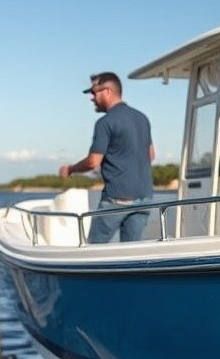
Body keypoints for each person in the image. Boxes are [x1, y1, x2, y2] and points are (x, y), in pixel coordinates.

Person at [59, 72, 155, 243]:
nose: (91, 98)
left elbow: (93, 161)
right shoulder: (142, 118)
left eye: (94, 92)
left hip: (116, 199)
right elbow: (151, 155)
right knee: (131, 256)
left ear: (107, 91)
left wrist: (70, 169)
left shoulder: (105, 122)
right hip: (144, 199)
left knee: (93, 252)